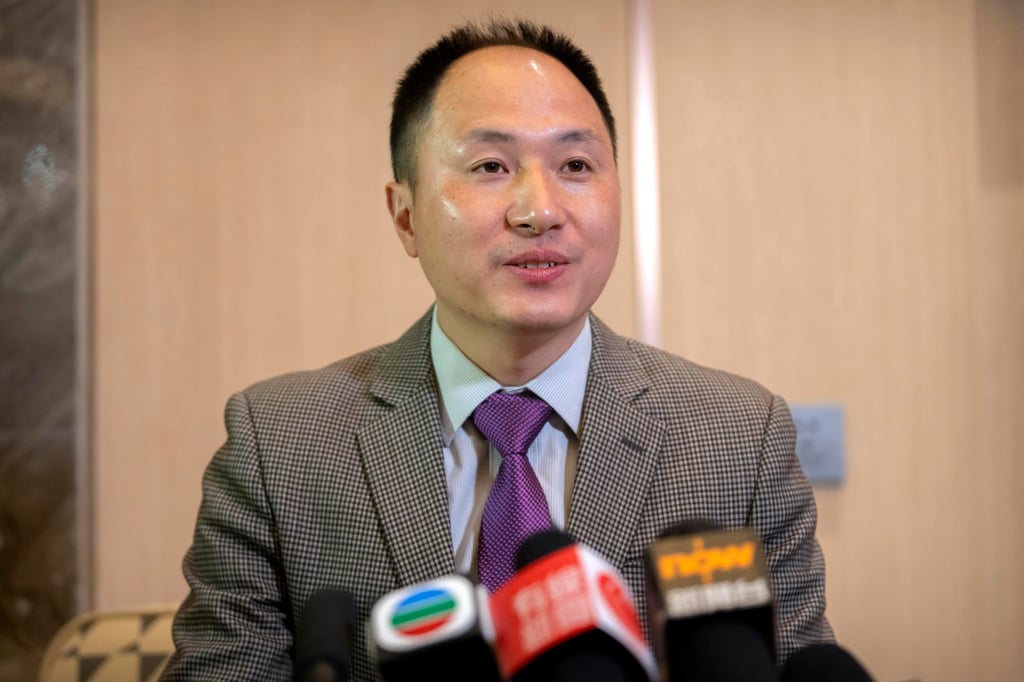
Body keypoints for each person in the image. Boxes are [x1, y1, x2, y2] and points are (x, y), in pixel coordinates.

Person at [163, 18, 833, 681]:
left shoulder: (740, 438)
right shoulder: (280, 444)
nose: (539, 211)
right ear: (405, 215)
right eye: (491, 166)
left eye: (576, 166)